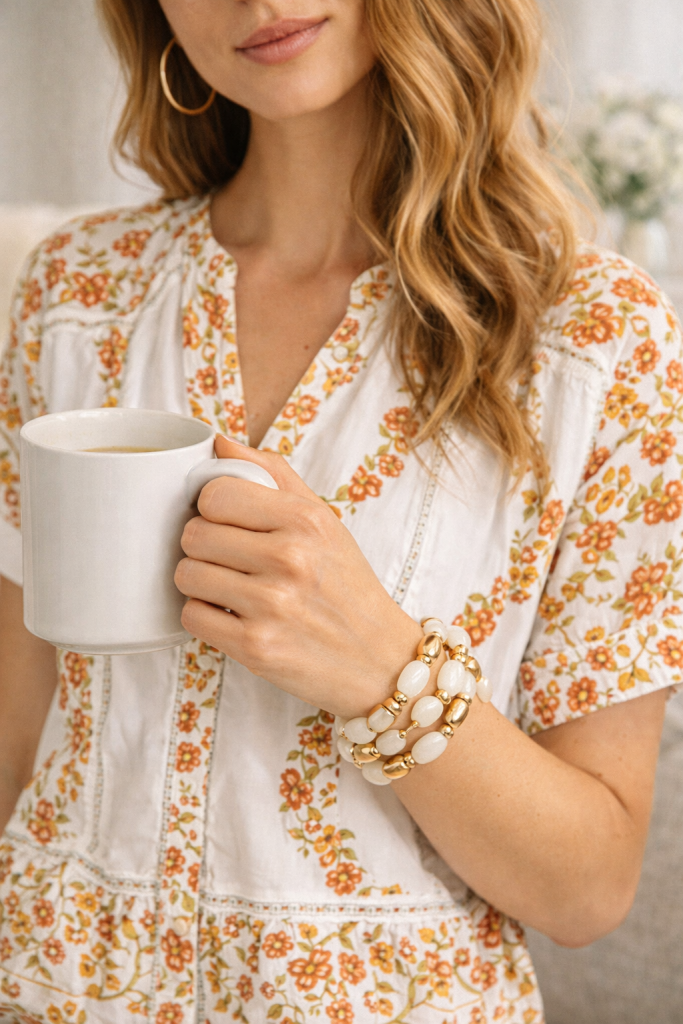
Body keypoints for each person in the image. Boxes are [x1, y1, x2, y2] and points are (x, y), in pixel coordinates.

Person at [0, 0, 679, 1020]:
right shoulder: (75, 292)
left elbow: (585, 888)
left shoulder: (596, 345)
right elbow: (17, 733)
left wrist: (378, 663)